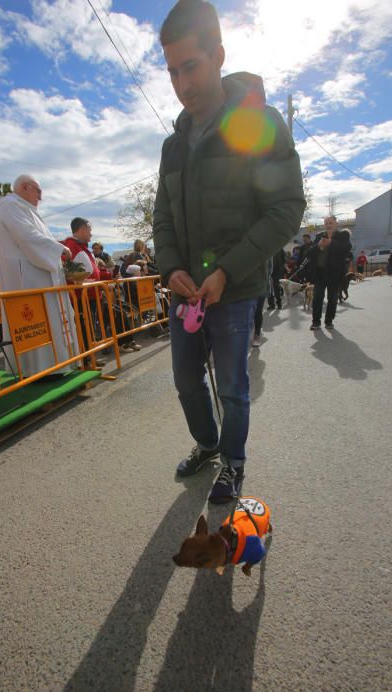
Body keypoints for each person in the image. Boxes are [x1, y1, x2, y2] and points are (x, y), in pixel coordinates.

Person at [153, 0, 305, 503]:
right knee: (184, 380)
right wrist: (171, 266)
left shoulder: (259, 124)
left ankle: (233, 463)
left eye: (190, 67)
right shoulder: (172, 145)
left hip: (234, 288)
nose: (182, 84)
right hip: (185, 293)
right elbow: (163, 218)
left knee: (234, 388)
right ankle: (207, 443)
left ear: (217, 55)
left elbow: (285, 209)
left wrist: (226, 270)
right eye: (172, 71)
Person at [0, 174, 79, 377]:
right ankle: (37, 368)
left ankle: (56, 364)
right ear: (25, 187)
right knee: (35, 323)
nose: (40, 197)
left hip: (40, 276)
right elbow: (27, 236)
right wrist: (59, 248)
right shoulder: (9, 205)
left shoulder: (26, 209)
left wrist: (55, 249)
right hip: (27, 279)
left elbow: (39, 237)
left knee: (51, 321)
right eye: (38, 191)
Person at [61, 218, 106, 368]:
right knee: (83, 329)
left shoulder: (81, 247)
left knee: (89, 328)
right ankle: (85, 360)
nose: (91, 235)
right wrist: (80, 282)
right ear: (82, 230)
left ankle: (90, 357)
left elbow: (92, 270)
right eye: (90, 230)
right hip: (80, 297)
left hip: (90, 295)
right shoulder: (70, 246)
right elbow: (66, 273)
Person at [307, 215, 352, 331]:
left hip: (335, 274)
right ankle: (315, 322)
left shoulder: (343, 236)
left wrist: (331, 242)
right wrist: (319, 246)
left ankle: (329, 321)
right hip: (320, 273)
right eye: (326, 223)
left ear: (336, 224)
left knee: (332, 298)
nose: (328, 225)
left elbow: (346, 249)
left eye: (330, 223)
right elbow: (309, 254)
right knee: (317, 298)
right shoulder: (319, 236)